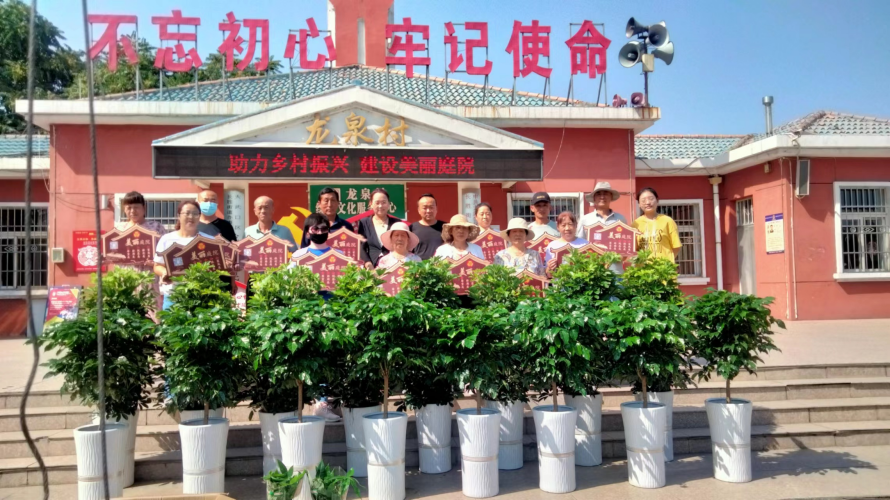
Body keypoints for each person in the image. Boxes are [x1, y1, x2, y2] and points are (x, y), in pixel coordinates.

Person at [153, 200, 215, 310]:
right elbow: (157, 265)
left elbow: (216, 267)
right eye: (187, 213)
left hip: (201, 295)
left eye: (195, 214)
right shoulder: (167, 239)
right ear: (179, 216)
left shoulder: (209, 240)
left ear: (199, 217)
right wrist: (165, 272)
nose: (191, 217)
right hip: (173, 295)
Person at [577, 181, 627, 275]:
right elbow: (579, 245)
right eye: (599, 194)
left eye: (605, 193)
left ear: (611, 197)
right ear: (594, 198)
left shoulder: (621, 219)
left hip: (616, 272)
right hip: (593, 272)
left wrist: (623, 255)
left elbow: (626, 245)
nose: (602, 197)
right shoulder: (585, 220)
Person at [116, 191, 167, 270]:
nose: (132, 211)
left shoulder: (157, 227)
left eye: (136, 207)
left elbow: (167, 252)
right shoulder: (119, 229)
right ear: (124, 209)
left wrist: (156, 263)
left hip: (150, 274)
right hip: (126, 275)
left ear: (144, 208)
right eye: (129, 208)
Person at [633, 187, 682, 262]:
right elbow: (634, 249)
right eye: (643, 200)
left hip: (663, 267)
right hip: (643, 268)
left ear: (657, 200)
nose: (648, 202)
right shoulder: (636, 224)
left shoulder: (667, 221)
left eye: (651, 199)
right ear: (639, 204)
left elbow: (676, 247)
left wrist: (667, 262)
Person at [356, 188, 402, 268]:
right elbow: (361, 246)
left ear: (388, 204)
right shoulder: (364, 223)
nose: (380, 206)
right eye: (377, 203)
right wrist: (367, 263)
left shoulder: (396, 223)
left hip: (393, 266)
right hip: (371, 267)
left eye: (384, 202)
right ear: (371, 204)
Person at [544, 211, 589, 276]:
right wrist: (550, 268)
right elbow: (549, 275)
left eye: (570, 224)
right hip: (559, 282)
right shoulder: (552, 246)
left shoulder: (585, 244)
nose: (567, 228)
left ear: (576, 225)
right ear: (558, 227)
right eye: (563, 225)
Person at [409, 193, 445, 260]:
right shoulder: (411, 228)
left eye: (431, 207)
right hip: (418, 265)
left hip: (440, 265)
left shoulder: (445, 227)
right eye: (424, 208)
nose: (428, 211)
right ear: (419, 210)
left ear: (436, 209)